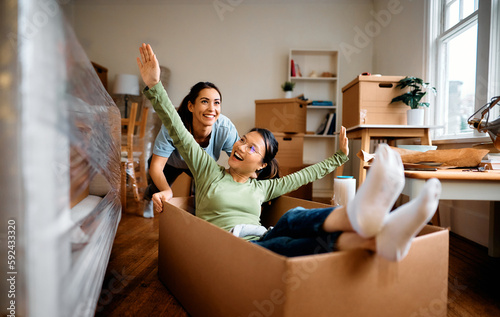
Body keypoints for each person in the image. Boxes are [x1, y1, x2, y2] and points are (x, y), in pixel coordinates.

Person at [137, 43, 441, 261]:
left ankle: (380, 241)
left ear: (260, 165)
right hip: (232, 248)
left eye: (252, 147)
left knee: (293, 222)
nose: (240, 145)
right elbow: (178, 128)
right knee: (285, 239)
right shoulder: (207, 171)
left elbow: (305, 175)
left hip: (261, 239)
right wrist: (155, 86)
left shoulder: (263, 187)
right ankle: (362, 217)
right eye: (242, 139)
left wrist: (339, 157)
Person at [143, 81, 240, 218]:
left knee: (206, 191)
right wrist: (167, 190)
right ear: (191, 106)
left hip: (199, 165)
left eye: (216, 103)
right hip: (171, 162)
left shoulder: (225, 128)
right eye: (205, 101)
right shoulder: (173, 125)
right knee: (155, 188)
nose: (212, 108)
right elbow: (156, 167)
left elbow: (241, 160)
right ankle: (147, 201)